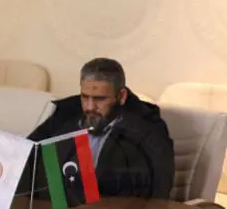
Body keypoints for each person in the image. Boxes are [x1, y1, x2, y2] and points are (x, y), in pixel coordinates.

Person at [29, 57, 174, 200]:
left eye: (100, 99)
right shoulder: (65, 117)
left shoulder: (148, 132)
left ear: (121, 96)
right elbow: (28, 158)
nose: (90, 107)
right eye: (85, 97)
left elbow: (158, 194)